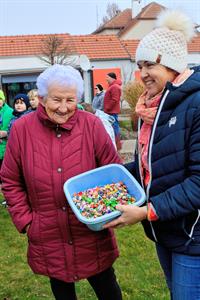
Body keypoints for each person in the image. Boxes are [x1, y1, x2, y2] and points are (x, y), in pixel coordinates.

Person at [1, 64, 122, 300]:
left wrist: (106, 214)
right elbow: (10, 178)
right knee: (62, 289)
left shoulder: (91, 125)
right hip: (47, 230)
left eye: (71, 99)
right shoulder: (22, 129)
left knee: (108, 288)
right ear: (43, 98)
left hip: (90, 229)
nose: (65, 108)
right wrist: (26, 221)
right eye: (57, 99)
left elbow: (113, 172)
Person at [104, 9, 200, 300]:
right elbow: (154, 164)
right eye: (140, 65)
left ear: (171, 65)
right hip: (166, 230)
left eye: (149, 65)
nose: (142, 74)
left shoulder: (195, 106)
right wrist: (112, 178)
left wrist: (147, 211)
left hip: (192, 235)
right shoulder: (155, 107)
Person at [103, 72, 122, 150]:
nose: (106, 79)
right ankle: (115, 143)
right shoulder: (112, 86)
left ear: (112, 78)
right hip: (110, 111)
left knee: (114, 127)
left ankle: (117, 144)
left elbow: (115, 99)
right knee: (112, 127)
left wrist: (107, 108)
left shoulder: (115, 87)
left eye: (107, 77)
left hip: (112, 111)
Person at [0, 89, 13, 169]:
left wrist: (6, 133)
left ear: (3, 99)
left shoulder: (11, 112)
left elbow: (16, 129)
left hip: (7, 149)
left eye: (0, 98)